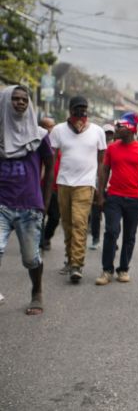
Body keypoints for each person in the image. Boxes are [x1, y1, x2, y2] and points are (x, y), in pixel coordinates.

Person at [0, 85, 53, 314]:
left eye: (24, 99)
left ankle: (37, 292)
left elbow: (50, 168)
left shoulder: (39, 136)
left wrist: (46, 201)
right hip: (1, 204)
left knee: (31, 258)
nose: (20, 103)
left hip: (29, 205)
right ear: (5, 102)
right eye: (15, 99)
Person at [50, 96, 107, 282]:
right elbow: (51, 160)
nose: (82, 112)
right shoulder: (58, 130)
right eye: (77, 108)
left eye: (84, 108)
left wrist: (100, 186)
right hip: (64, 183)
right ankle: (69, 259)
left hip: (85, 184)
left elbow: (101, 162)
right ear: (70, 110)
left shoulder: (98, 131)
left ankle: (77, 265)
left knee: (79, 224)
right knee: (66, 224)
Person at [95, 113, 138, 285]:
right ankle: (107, 270)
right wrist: (100, 195)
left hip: (135, 199)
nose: (116, 129)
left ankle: (123, 269)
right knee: (111, 232)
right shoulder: (112, 148)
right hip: (114, 197)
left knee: (129, 236)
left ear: (130, 129)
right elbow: (105, 171)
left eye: (120, 126)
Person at [89, 124, 115, 251]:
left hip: (112, 187)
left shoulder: (116, 148)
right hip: (97, 184)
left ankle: (112, 240)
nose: (108, 136)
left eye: (111, 133)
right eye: (106, 133)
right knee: (95, 215)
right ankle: (95, 239)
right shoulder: (96, 148)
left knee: (112, 217)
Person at [38, 116, 60, 251]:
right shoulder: (37, 143)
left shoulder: (59, 145)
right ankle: (39, 241)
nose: (50, 130)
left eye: (52, 126)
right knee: (40, 216)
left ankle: (46, 237)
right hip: (40, 186)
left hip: (56, 187)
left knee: (55, 217)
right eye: (47, 126)